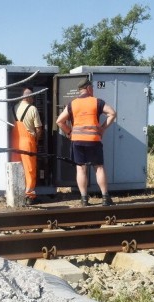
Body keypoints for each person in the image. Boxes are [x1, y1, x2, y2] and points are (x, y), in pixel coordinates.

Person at [55, 78, 116, 206]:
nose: (93, 90)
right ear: (88, 88)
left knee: (81, 169)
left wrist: (69, 132)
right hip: (93, 140)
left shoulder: (72, 104)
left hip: (77, 141)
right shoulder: (97, 102)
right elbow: (112, 113)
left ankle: (84, 199)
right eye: (92, 88)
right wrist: (103, 128)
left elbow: (59, 121)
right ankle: (105, 198)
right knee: (98, 167)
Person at [10, 87, 43, 204]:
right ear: (28, 97)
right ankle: (29, 196)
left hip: (14, 142)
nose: (33, 99)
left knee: (17, 168)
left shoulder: (13, 108)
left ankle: (16, 194)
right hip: (27, 142)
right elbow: (38, 129)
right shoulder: (32, 109)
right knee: (30, 169)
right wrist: (37, 140)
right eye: (32, 96)